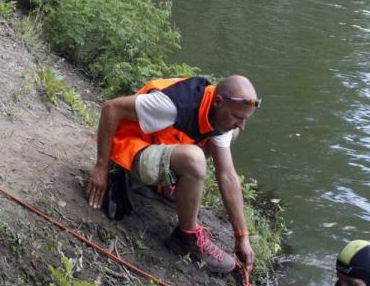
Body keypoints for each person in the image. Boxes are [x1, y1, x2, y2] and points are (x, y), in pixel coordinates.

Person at [85, 75, 259, 275]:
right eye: (238, 117)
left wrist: (242, 237)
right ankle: (186, 237)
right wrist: (101, 168)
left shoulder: (217, 112)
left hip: (155, 146)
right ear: (219, 101)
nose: (242, 124)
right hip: (125, 152)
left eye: (244, 119)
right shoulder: (170, 105)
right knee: (194, 159)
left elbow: (227, 174)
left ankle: (162, 183)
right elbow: (111, 108)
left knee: (229, 134)